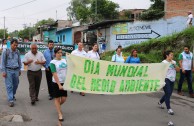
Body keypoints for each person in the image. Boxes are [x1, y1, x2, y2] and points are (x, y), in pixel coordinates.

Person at [1, 39, 22, 107]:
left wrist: (19, 69)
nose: (15, 46)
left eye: (16, 45)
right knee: (9, 85)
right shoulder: (5, 51)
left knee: (16, 84)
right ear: (11, 44)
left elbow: (19, 61)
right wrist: (3, 71)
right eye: (14, 45)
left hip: (16, 70)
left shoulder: (17, 51)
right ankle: (11, 100)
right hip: (8, 70)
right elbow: (3, 62)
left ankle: (12, 95)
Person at [158, 51, 180, 115]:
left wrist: (174, 64)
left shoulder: (174, 62)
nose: (172, 56)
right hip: (166, 79)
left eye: (173, 55)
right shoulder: (163, 62)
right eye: (171, 55)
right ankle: (169, 109)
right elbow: (160, 72)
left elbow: (178, 70)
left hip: (172, 80)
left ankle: (160, 102)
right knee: (168, 93)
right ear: (167, 56)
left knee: (169, 93)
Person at [50, 47, 67, 122]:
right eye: (58, 53)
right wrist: (59, 84)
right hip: (56, 83)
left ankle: (58, 107)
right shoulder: (52, 62)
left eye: (61, 52)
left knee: (64, 99)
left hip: (64, 82)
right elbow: (54, 74)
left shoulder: (64, 60)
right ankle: (60, 114)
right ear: (55, 53)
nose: (60, 54)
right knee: (57, 98)